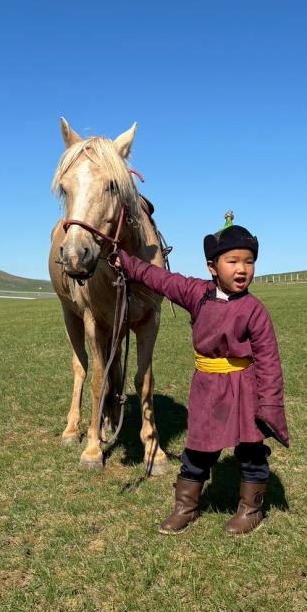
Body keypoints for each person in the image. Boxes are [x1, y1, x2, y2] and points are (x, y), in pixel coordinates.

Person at [112, 216, 290, 535]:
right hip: (207, 387)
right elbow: (159, 278)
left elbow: (269, 363)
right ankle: (186, 507)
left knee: (250, 450)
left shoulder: (255, 310)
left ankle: (251, 510)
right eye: (232, 261)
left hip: (244, 387)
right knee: (198, 448)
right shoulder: (196, 293)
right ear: (212, 266)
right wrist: (124, 261)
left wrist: (270, 405)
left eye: (249, 262)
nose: (242, 269)